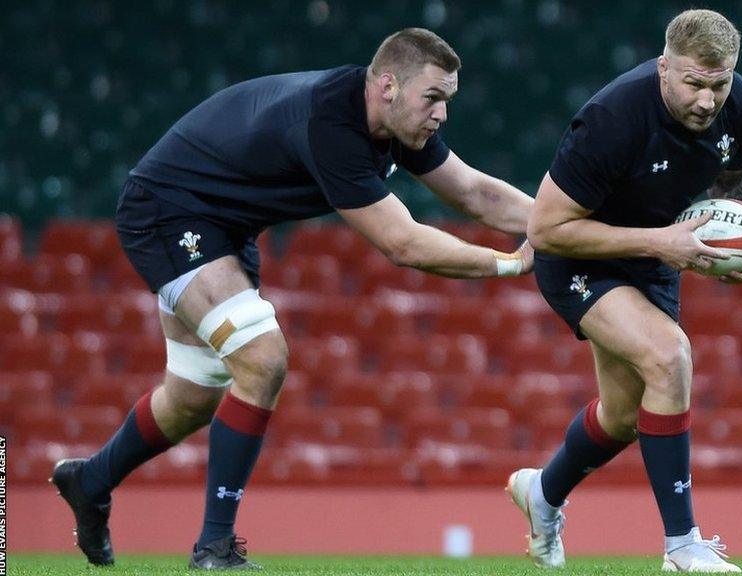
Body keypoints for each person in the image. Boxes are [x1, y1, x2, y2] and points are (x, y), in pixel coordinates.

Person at [50, 27, 534, 569]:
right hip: (171, 211)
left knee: (192, 398)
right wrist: (509, 263)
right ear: (389, 86)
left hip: (226, 227)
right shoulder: (334, 125)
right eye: (434, 98)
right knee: (263, 358)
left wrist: (556, 225)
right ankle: (214, 548)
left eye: (448, 100)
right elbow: (402, 243)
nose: (442, 115)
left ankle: (89, 481)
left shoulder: (395, 122)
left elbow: (471, 191)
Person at [506, 9, 742, 573]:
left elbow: (733, 178)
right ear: (663, 67)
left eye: (720, 83)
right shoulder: (612, 119)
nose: (708, 100)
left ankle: (543, 493)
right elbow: (545, 229)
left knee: (624, 415)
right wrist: (660, 243)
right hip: (579, 256)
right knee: (670, 356)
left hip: (657, 252)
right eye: (694, 83)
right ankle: (682, 544)